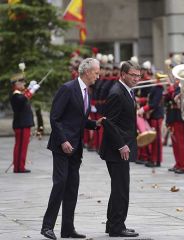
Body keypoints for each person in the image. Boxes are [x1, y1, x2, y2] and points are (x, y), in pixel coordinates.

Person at [41, 58, 103, 240]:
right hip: (62, 146)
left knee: (72, 187)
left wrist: (94, 124)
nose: (98, 76)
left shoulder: (87, 92)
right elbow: (55, 117)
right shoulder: (67, 88)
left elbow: (79, 120)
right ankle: (47, 227)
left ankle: (67, 229)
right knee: (60, 184)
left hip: (76, 148)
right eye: (96, 72)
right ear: (86, 72)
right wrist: (63, 141)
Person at [99, 60, 140, 237]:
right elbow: (110, 123)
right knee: (121, 189)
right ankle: (117, 227)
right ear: (123, 75)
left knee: (118, 188)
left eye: (138, 76)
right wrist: (122, 145)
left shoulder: (127, 91)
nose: (136, 79)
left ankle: (113, 224)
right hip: (117, 150)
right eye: (133, 75)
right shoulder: (117, 93)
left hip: (121, 147)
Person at [10, 72, 40, 173]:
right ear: (16, 84)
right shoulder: (16, 95)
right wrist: (32, 89)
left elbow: (24, 96)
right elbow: (23, 98)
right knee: (21, 147)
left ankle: (19, 166)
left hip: (22, 124)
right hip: (21, 125)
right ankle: (19, 167)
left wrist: (30, 89)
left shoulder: (19, 94)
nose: (24, 84)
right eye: (21, 82)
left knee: (22, 146)